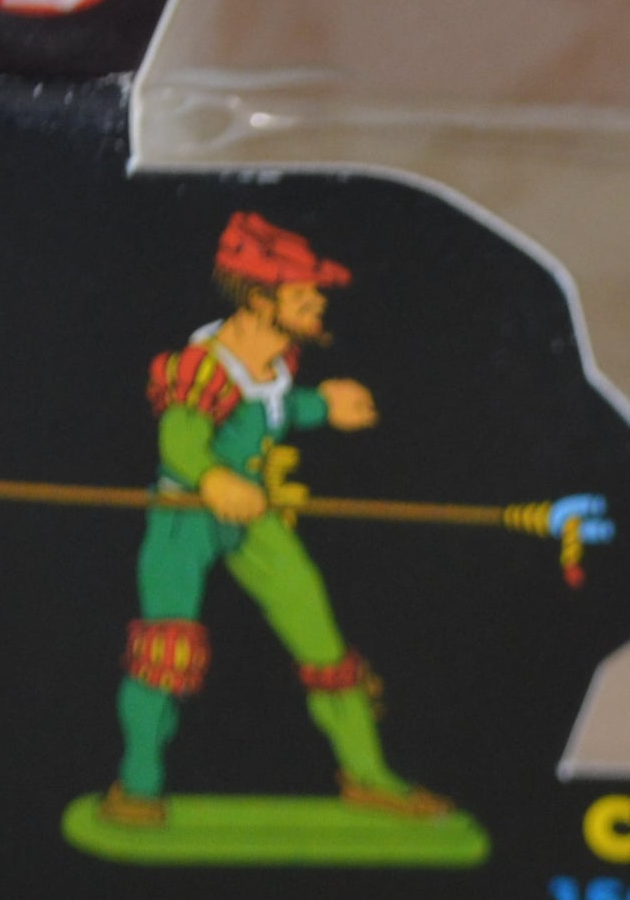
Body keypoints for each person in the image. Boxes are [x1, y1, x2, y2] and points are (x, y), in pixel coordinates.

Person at [98, 212, 446, 824]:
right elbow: (180, 440)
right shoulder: (205, 366)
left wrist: (324, 407)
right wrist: (212, 479)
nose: (318, 305)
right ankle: (138, 788)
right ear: (260, 300)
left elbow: (274, 412)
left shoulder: (276, 359)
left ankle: (368, 775)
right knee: (167, 651)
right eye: (303, 296)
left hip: (253, 518)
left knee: (320, 637)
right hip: (184, 520)